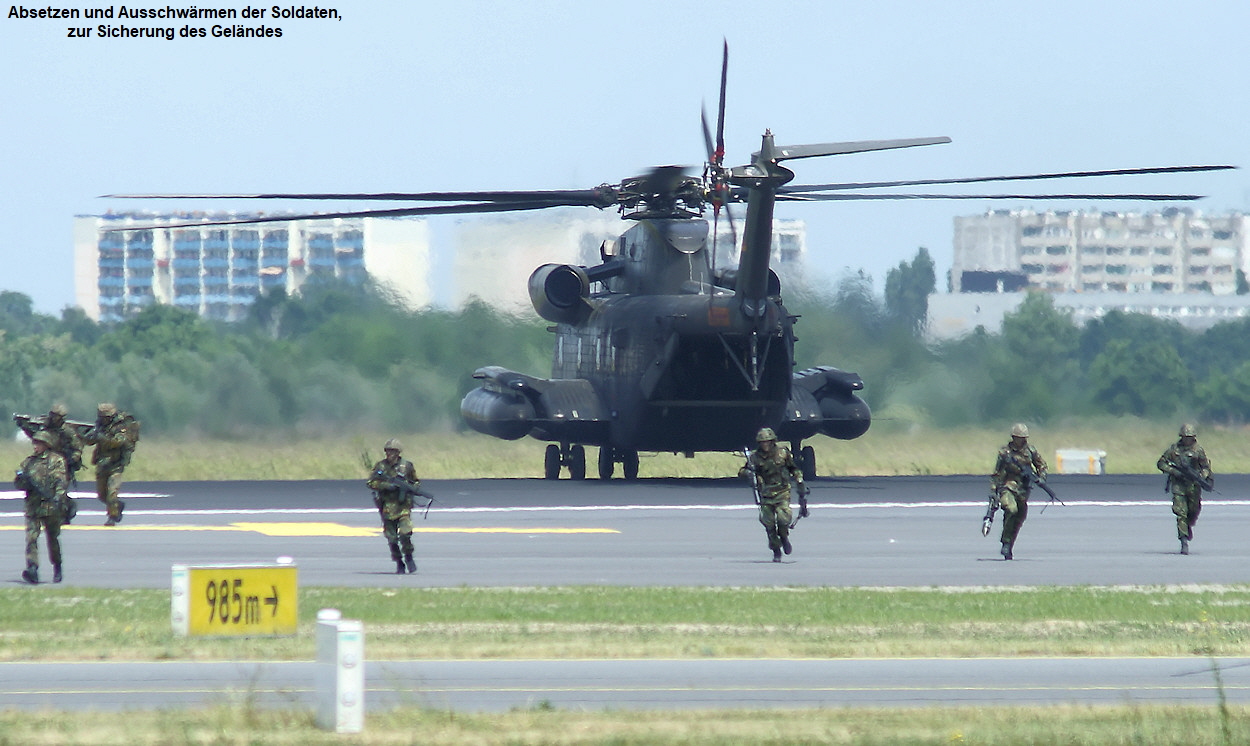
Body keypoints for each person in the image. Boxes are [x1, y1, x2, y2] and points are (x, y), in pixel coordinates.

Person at [739, 427, 808, 563]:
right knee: (769, 524)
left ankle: (784, 537)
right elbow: (742, 471)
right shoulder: (754, 458)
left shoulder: (783, 453)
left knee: (783, 520)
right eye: (762, 442)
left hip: (782, 492)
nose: (765, 445)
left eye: (767, 442)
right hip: (765, 494)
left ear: (772, 441)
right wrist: (749, 474)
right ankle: (776, 550)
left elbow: (793, 468)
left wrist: (799, 480)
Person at [989, 423, 1048, 560]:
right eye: (1018, 437)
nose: (1021, 440)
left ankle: (1009, 545)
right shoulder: (1005, 453)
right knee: (1011, 510)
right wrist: (993, 491)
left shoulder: (1031, 451)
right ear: (1013, 437)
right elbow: (997, 474)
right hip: (1007, 487)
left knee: (1019, 517)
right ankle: (1005, 542)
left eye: (1023, 438)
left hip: (1023, 490)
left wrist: (1041, 478)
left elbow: (1042, 465)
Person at [16, 430, 69, 584]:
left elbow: (60, 480)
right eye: (34, 443)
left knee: (52, 539)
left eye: (38, 443)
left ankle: (57, 566)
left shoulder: (56, 460)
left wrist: (58, 497)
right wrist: (23, 480)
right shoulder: (28, 462)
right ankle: (32, 568)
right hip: (33, 507)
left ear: (46, 444)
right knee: (31, 538)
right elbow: (19, 485)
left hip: (50, 507)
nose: (35, 446)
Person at [366, 438, 421, 574]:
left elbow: (416, 483)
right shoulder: (381, 467)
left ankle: (408, 556)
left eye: (392, 451)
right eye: (387, 451)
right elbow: (371, 483)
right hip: (387, 508)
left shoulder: (406, 466)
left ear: (398, 452)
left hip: (403, 508)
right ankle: (399, 562)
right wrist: (387, 486)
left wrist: (409, 488)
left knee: (405, 534)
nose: (389, 454)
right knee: (392, 539)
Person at [1157, 423, 1212, 555]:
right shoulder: (1174, 450)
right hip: (1179, 485)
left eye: (1190, 437)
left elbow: (1205, 467)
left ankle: (1188, 526)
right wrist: (1175, 472)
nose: (1188, 439)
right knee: (1181, 513)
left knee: (1193, 511)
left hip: (1193, 486)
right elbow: (1161, 463)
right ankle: (1183, 541)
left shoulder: (1198, 450)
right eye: (1186, 437)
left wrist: (1201, 477)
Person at [82, 403, 140, 526]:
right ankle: (117, 506)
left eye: (106, 417)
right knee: (102, 495)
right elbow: (89, 442)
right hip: (102, 464)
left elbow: (117, 442)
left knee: (111, 494)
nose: (103, 420)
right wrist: (86, 435)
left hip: (116, 464)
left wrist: (100, 437)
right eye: (101, 417)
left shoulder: (121, 426)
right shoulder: (99, 426)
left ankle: (112, 517)